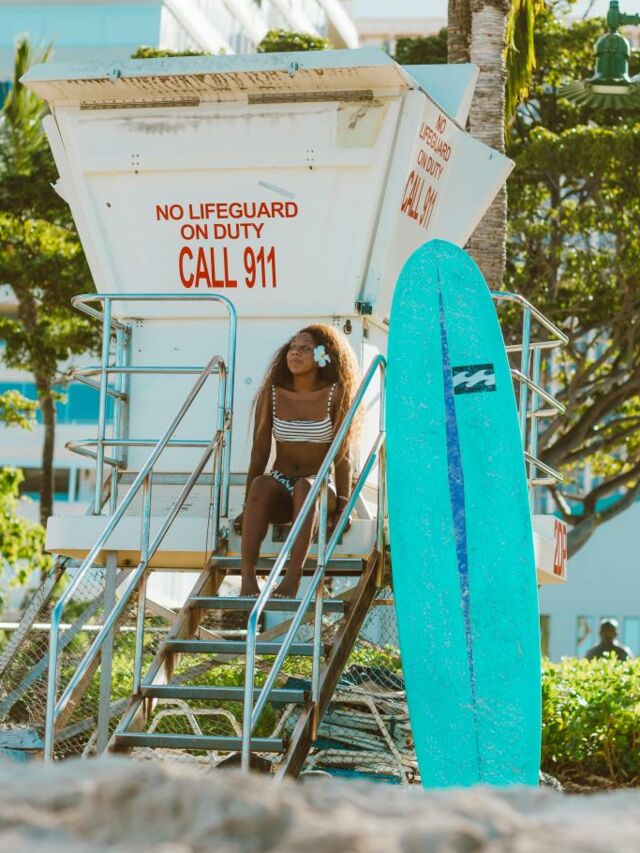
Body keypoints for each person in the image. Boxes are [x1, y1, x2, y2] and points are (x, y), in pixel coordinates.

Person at [234, 324, 359, 598]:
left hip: (319, 485)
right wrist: (247, 507)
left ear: (323, 356)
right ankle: (247, 580)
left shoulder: (335, 394)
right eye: (292, 347)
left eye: (305, 348)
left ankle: (292, 578)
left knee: (305, 487)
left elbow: (342, 455)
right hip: (281, 483)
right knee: (261, 485)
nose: (295, 353)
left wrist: (343, 506)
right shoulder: (272, 394)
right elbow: (259, 452)